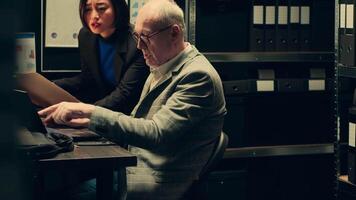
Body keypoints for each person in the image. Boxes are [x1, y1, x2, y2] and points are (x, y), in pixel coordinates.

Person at [39, 0, 227, 199]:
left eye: (145, 37)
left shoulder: (197, 75)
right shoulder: (162, 65)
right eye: (137, 36)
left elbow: (156, 133)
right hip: (134, 168)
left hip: (156, 182)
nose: (138, 45)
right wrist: (86, 121)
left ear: (174, 33)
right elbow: (139, 122)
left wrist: (91, 113)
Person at [54, 0, 149, 114]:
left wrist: (83, 111)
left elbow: (124, 94)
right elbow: (87, 79)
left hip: (129, 114)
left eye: (102, 8)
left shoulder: (136, 43)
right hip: (100, 107)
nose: (94, 16)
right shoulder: (86, 35)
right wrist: (51, 86)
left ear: (117, 9)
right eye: (88, 9)